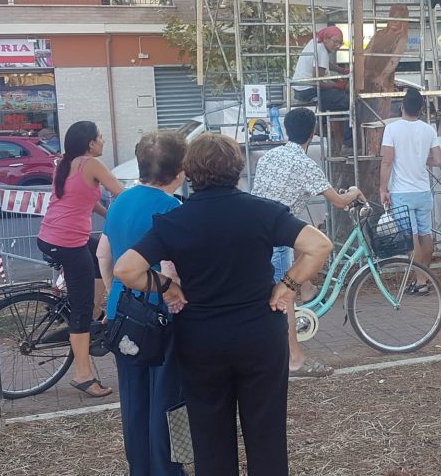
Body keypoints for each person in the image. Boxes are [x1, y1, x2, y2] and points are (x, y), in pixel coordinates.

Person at [113, 133, 332, 476]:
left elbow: (125, 269)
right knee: (266, 432)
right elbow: (319, 245)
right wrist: (287, 286)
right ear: (238, 168)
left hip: (201, 340)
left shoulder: (174, 221)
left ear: (189, 170)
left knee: (209, 437)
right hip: (259, 334)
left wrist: (167, 287)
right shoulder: (263, 212)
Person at [96, 131, 187, 476]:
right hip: (160, 315)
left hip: (122, 311)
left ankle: (141, 468)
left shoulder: (120, 200)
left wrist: (114, 294)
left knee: (133, 399)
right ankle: (169, 469)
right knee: (168, 398)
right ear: (180, 170)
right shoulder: (172, 207)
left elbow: (103, 253)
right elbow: (169, 269)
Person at [252, 107, 365, 377]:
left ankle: (308, 288)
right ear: (313, 133)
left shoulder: (269, 156)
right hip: (276, 235)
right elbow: (339, 203)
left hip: (255, 228)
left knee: (303, 246)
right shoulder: (305, 164)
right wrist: (354, 191)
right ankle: (295, 359)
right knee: (284, 295)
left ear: (287, 130)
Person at [36, 121, 124, 397]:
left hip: (52, 236)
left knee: (100, 255)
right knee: (80, 310)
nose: (103, 141)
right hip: (67, 242)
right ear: (89, 143)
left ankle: (97, 314)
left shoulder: (67, 163)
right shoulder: (91, 164)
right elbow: (121, 192)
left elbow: (83, 199)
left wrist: (108, 216)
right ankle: (83, 375)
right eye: (100, 138)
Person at [379, 89, 441, 291]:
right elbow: (439, 160)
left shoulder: (392, 129)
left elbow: (387, 161)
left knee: (411, 238)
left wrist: (382, 188)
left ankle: (421, 280)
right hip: (423, 190)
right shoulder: (429, 130)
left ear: (402, 107)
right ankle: (423, 277)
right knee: (426, 235)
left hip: (401, 192)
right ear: (421, 109)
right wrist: (423, 160)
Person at [291, 26, 353, 150]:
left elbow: (323, 65)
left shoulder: (315, 42)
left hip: (300, 87)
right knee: (348, 102)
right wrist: (339, 85)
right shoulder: (322, 51)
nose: (337, 46)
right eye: (335, 42)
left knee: (332, 96)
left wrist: (341, 70)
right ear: (326, 38)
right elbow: (318, 81)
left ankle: (322, 125)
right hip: (308, 89)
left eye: (340, 43)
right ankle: (348, 143)